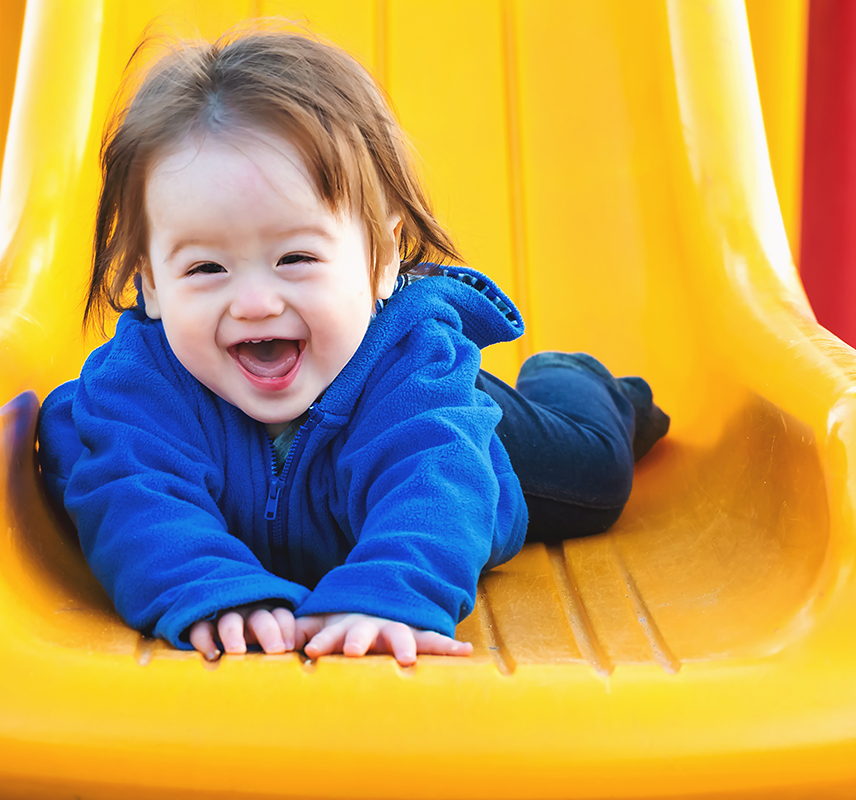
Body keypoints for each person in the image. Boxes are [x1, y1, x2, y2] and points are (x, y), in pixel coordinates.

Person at [37, 29, 669, 667]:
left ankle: (574, 377)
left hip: (449, 425)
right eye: (206, 269)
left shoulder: (412, 370)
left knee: (596, 475)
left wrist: (387, 592)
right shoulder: (140, 386)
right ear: (148, 282)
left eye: (296, 258)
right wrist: (214, 591)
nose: (254, 302)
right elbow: (131, 492)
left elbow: (436, 480)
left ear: (384, 254)